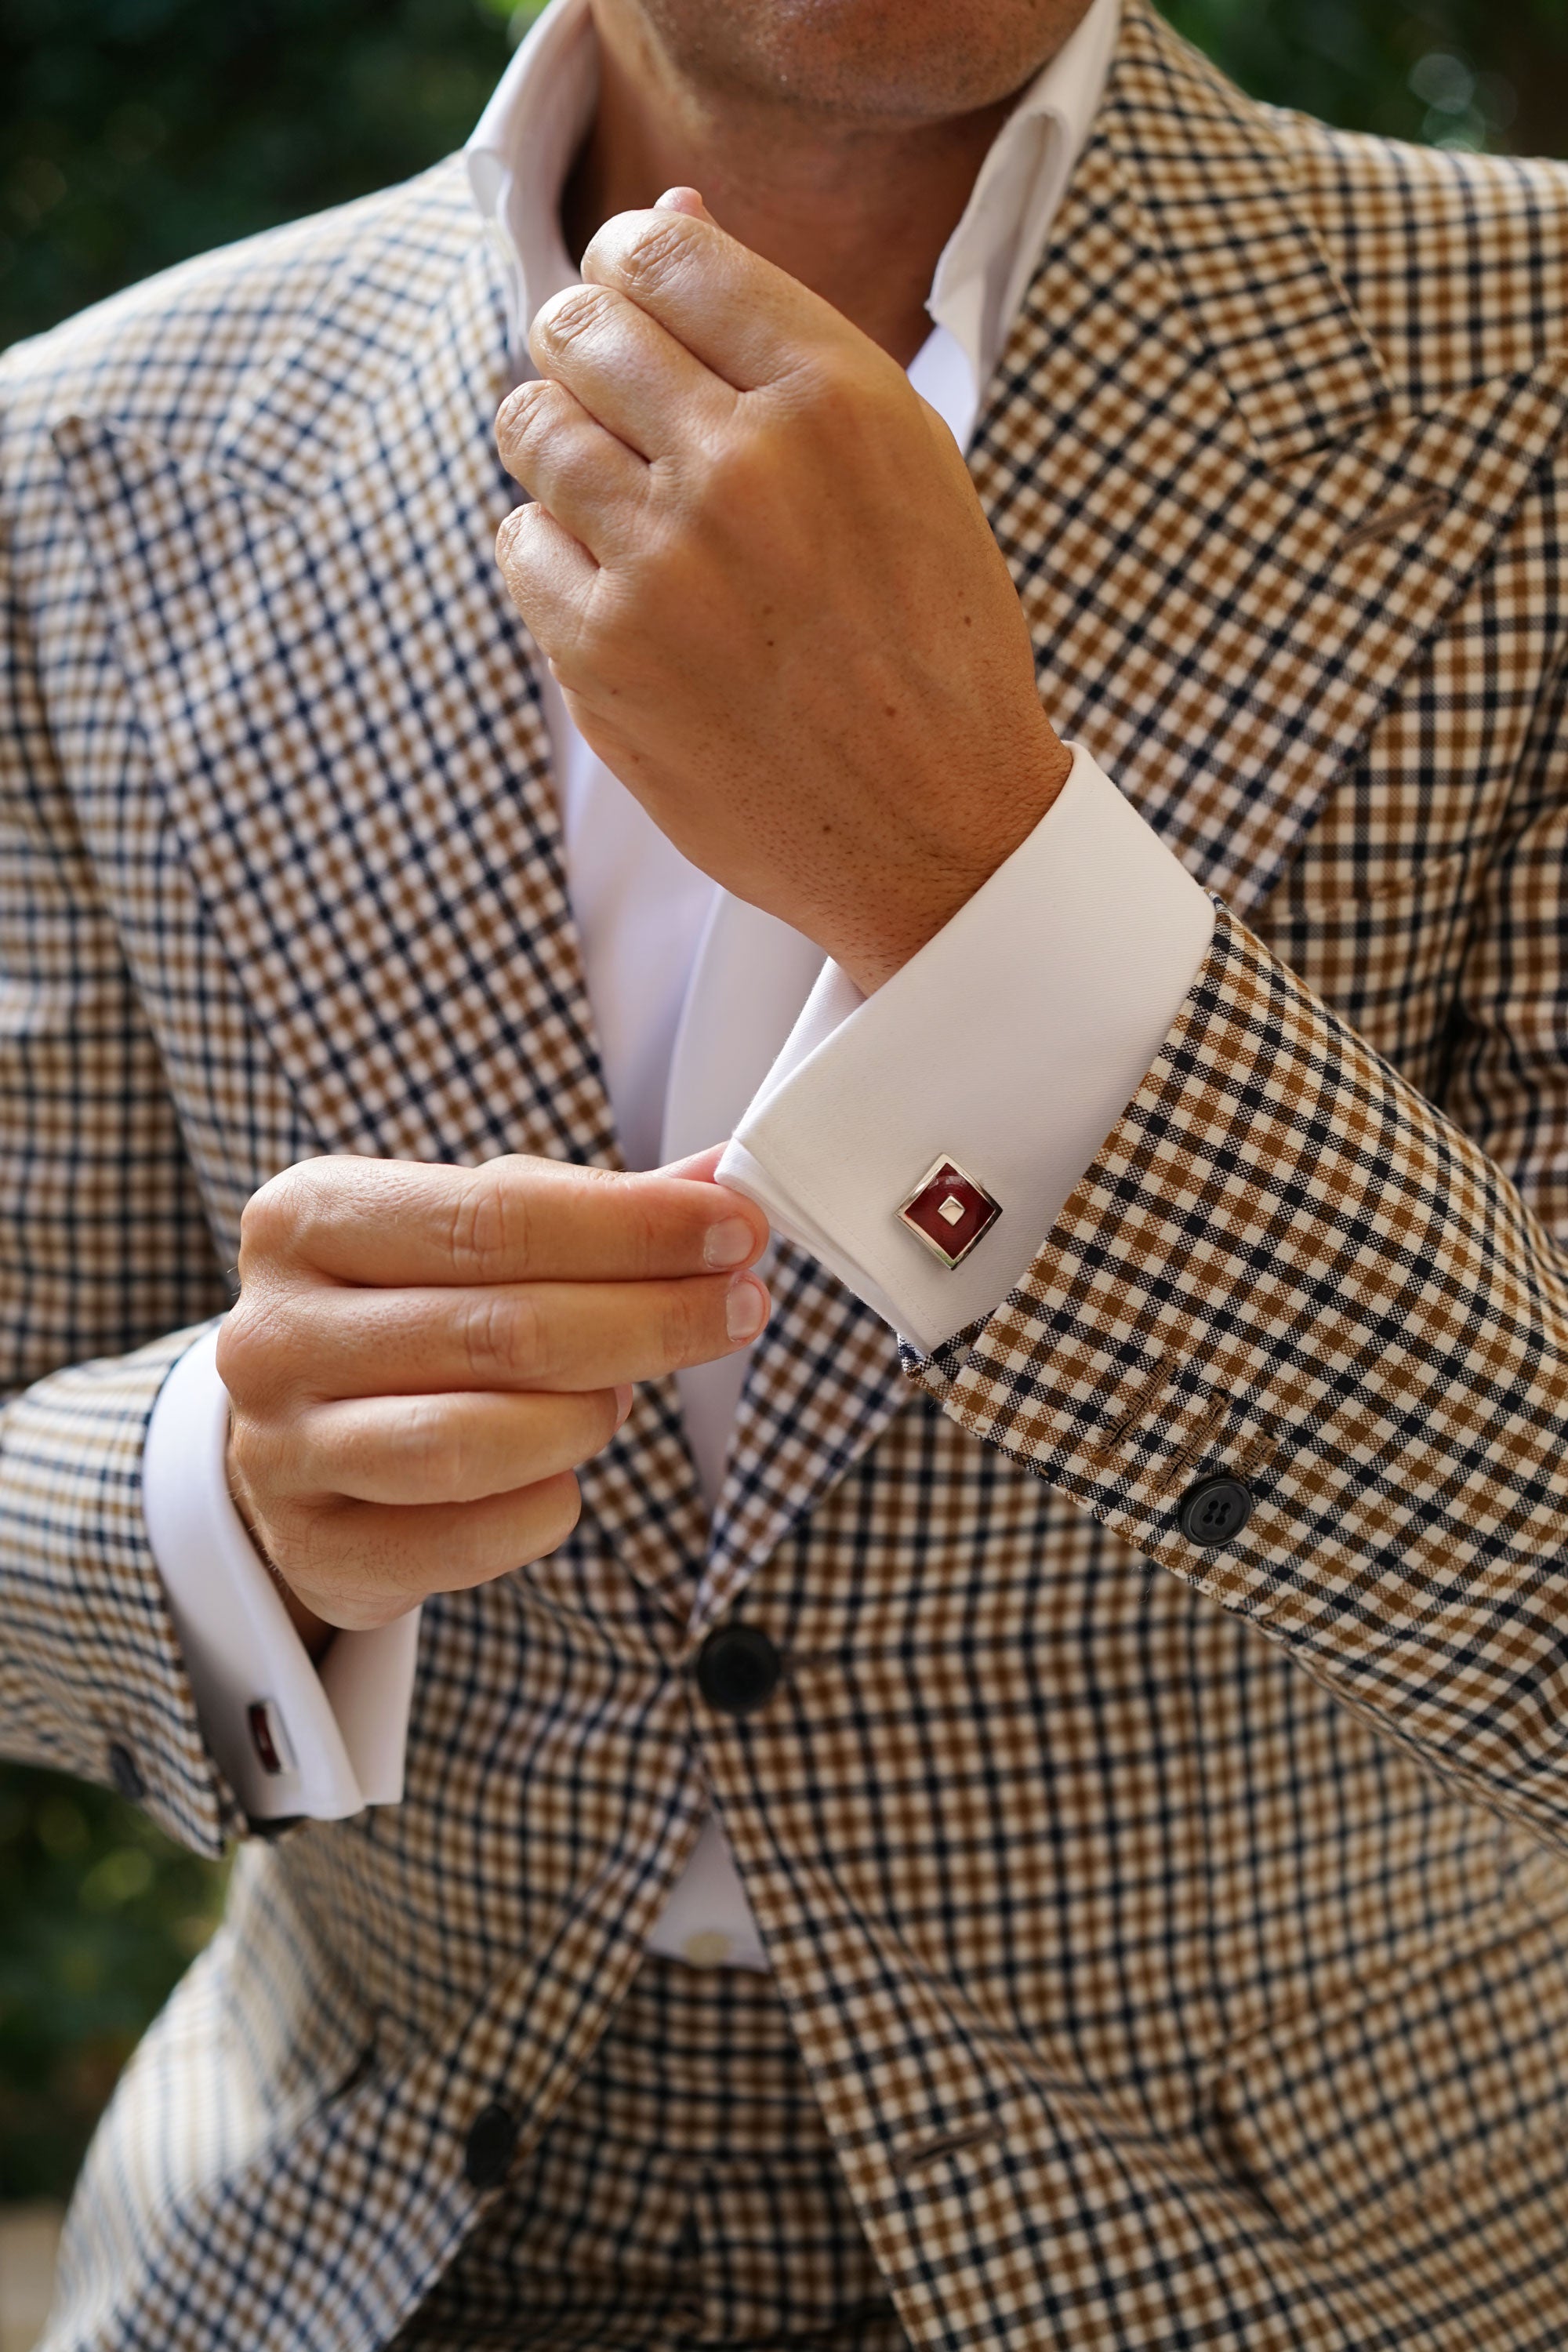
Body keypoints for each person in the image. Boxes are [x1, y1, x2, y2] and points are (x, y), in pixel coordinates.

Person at [5, 0, 1568, 2339]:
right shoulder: (83, 458)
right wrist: (215, 1498)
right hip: (329, 2250)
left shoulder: (1533, 368)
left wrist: (978, 887)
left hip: (1321, 2253)